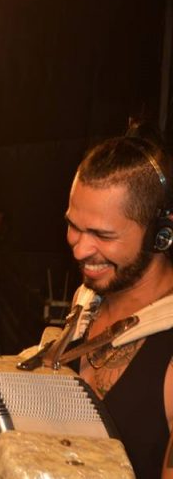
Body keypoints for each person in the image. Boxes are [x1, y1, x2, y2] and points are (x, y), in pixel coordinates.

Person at [63, 135, 173, 478]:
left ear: (161, 235)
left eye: (102, 235)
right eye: (73, 226)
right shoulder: (85, 304)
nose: (80, 249)